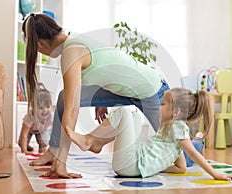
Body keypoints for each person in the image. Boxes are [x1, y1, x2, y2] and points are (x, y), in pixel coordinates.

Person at [22, 13, 169, 178]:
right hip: (123, 91)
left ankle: (76, 149)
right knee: (64, 97)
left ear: (39, 44)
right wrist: (102, 96)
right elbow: (104, 66)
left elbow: (72, 109)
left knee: (182, 157)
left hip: (151, 90)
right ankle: (54, 151)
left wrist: (62, 164)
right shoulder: (73, 42)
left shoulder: (71, 51)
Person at [65, 88, 232, 180]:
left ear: (176, 112)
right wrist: (154, 167)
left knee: (126, 113)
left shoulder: (177, 127)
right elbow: (182, 167)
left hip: (130, 165)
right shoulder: (173, 130)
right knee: (132, 115)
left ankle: (90, 140)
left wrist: (215, 174)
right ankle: (97, 142)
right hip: (131, 165)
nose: (158, 107)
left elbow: (192, 152)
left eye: (163, 104)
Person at [18, 83, 53, 154]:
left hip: (42, 130)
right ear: (34, 108)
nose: (45, 110)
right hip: (30, 129)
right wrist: (24, 151)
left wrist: (45, 146)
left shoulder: (51, 116)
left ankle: (42, 147)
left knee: (44, 141)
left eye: (48, 106)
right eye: (40, 108)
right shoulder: (31, 116)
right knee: (22, 142)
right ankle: (26, 146)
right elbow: (24, 134)